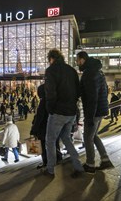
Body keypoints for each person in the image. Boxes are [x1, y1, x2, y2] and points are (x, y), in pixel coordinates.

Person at [44, 48, 84, 178]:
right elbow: (78, 91)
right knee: (66, 138)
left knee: (50, 140)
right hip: (71, 112)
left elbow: (50, 93)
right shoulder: (71, 70)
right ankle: (78, 165)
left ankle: (50, 169)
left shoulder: (51, 71)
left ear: (51, 59)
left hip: (58, 113)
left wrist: (51, 109)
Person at [76, 51, 114, 174]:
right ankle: (105, 159)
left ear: (82, 60)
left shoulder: (89, 73)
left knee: (87, 138)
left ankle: (90, 164)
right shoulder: (97, 71)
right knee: (94, 135)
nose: (77, 63)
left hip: (95, 112)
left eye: (77, 61)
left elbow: (92, 97)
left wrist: (90, 117)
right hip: (101, 110)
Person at [30, 84, 63, 169]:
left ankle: (46, 162)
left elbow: (39, 117)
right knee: (55, 142)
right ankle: (58, 158)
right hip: (54, 126)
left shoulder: (43, 102)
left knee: (43, 145)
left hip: (43, 128)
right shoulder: (54, 100)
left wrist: (34, 130)